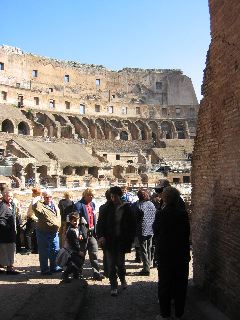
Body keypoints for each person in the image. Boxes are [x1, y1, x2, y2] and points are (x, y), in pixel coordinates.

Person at [153, 187, 190, 320]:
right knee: (180, 285)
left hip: (165, 255)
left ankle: (165, 314)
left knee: (164, 284)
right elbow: (186, 235)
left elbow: (156, 232)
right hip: (181, 254)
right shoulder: (183, 214)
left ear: (165, 199)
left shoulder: (160, 214)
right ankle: (179, 314)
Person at [97, 186, 136, 296]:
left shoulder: (127, 208)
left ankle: (122, 279)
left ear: (119, 196)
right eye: (111, 196)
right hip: (109, 241)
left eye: (114, 196)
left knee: (120, 264)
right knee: (111, 264)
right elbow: (100, 224)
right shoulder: (106, 208)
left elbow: (132, 225)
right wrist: (101, 236)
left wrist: (130, 238)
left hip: (121, 241)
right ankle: (113, 286)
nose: (113, 198)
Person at [74, 188, 104, 281]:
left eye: (93, 196)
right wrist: (79, 233)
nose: (92, 197)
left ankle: (96, 273)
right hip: (83, 234)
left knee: (94, 253)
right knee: (81, 255)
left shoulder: (92, 204)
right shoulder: (78, 205)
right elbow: (75, 221)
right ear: (85, 195)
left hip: (92, 233)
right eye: (90, 195)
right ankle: (78, 273)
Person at [33, 190, 61, 275]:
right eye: (46, 197)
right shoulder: (40, 206)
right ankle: (44, 270)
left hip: (54, 231)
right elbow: (35, 207)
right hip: (43, 232)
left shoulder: (55, 205)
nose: (48, 199)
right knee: (44, 251)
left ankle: (54, 267)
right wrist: (39, 199)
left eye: (50, 197)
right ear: (43, 198)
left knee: (55, 250)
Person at [133, 189, 156, 276]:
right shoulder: (151, 204)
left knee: (143, 250)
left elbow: (136, 219)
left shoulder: (139, 205)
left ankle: (146, 269)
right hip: (151, 229)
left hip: (142, 229)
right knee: (149, 248)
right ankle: (148, 264)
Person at [60, 212, 85, 283]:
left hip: (72, 250)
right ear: (70, 221)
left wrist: (80, 234)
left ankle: (76, 275)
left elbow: (79, 230)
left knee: (78, 261)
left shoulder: (75, 227)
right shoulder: (71, 231)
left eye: (77, 220)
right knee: (77, 262)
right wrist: (79, 252)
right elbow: (74, 244)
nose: (76, 222)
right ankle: (65, 274)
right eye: (74, 221)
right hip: (69, 251)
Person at [0, 189, 20, 274]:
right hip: (6, 234)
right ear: (4, 196)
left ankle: (7, 267)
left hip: (9, 233)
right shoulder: (3, 206)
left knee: (7, 250)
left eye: (11, 196)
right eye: (8, 196)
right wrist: (6, 228)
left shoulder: (11, 204)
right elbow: (1, 219)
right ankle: (10, 268)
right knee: (8, 250)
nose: (10, 197)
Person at [97, 189, 111, 277]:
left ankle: (107, 272)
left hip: (105, 235)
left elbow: (99, 223)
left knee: (106, 254)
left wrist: (100, 235)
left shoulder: (102, 207)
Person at [25, 187, 41, 254]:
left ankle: (29, 249)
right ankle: (36, 249)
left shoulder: (35, 200)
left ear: (35, 193)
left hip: (32, 218)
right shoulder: (39, 199)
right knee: (35, 234)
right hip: (36, 219)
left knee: (28, 234)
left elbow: (32, 211)